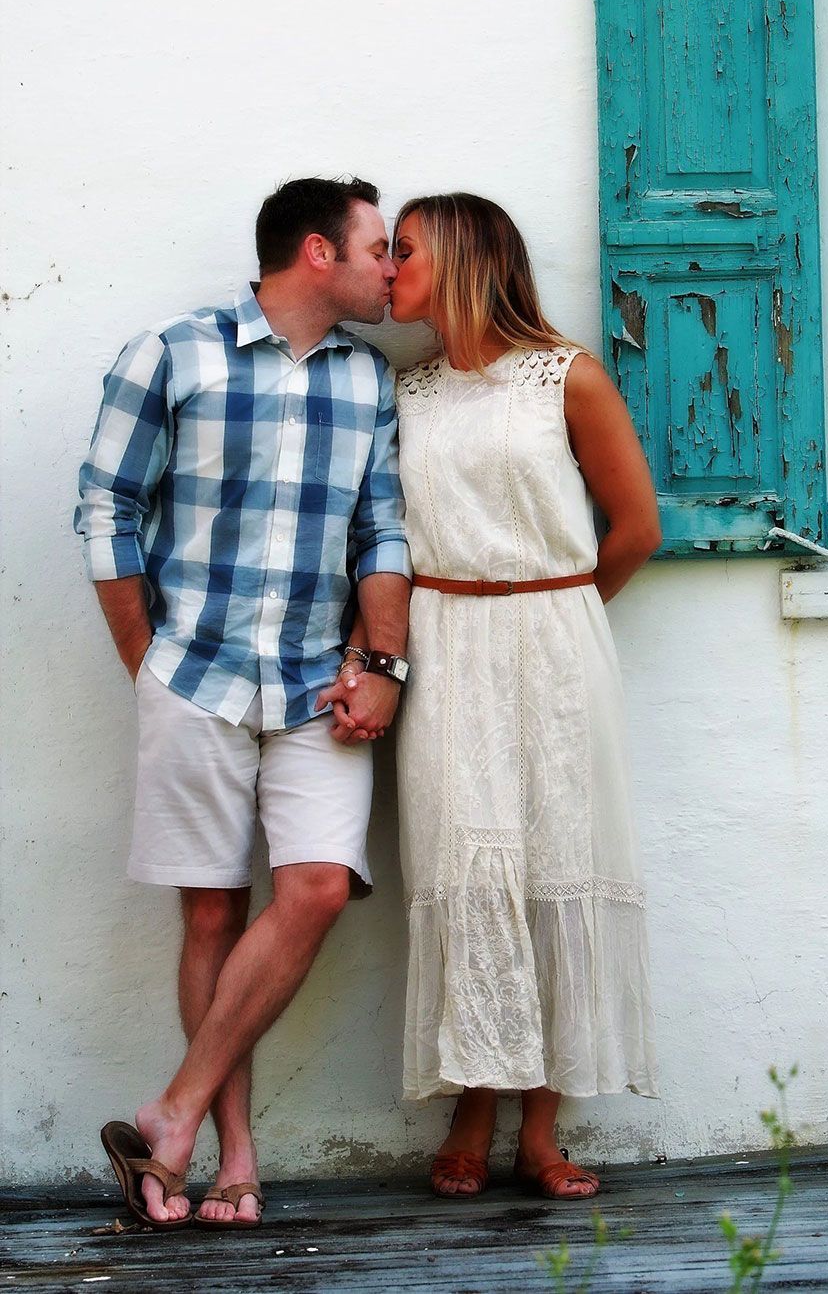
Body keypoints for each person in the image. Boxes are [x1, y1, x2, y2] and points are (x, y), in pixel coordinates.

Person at [74, 177, 411, 1228]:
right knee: (212, 908)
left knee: (313, 889)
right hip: (198, 674)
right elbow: (106, 505)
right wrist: (147, 659)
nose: (392, 269)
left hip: (319, 682)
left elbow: (382, 536)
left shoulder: (368, 382)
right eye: (377, 249)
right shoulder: (171, 353)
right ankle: (230, 1156)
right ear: (317, 254)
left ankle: (166, 1116)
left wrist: (385, 668)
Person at [330, 192, 661, 1199]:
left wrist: (553, 612)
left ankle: (544, 1131)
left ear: (467, 260)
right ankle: (473, 1103)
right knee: (464, 859)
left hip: (553, 639)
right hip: (443, 644)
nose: (392, 270)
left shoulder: (567, 377)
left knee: (559, 854)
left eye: (411, 251)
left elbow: (637, 526)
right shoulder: (410, 391)